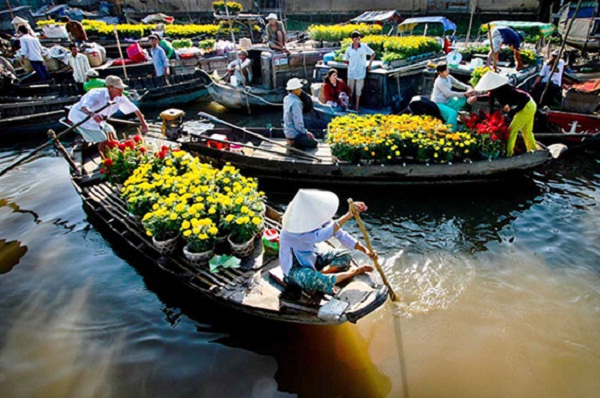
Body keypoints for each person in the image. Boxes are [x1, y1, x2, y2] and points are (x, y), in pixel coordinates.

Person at [279, 189, 375, 296]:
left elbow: (340, 234)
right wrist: (347, 216)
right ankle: (352, 273)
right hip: (295, 269)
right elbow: (320, 236)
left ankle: (322, 275)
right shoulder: (291, 231)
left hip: (312, 256)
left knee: (345, 255)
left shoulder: (315, 218)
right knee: (310, 279)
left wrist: (365, 251)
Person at [68, 75, 149, 157]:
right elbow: (84, 107)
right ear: (110, 88)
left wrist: (144, 123)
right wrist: (93, 114)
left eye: (122, 88)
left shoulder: (120, 97)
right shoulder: (95, 94)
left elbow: (135, 110)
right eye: (119, 88)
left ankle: (116, 155)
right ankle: (105, 159)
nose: (122, 90)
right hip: (81, 118)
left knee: (111, 132)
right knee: (102, 138)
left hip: (100, 119)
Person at [475, 71, 537, 157]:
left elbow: (522, 99)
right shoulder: (495, 90)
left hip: (526, 106)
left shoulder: (506, 90)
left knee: (512, 131)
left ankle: (509, 154)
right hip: (529, 104)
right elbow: (489, 98)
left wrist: (512, 109)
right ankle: (533, 150)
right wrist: (476, 98)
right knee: (527, 132)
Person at [430, 62, 474, 131]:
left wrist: (468, 87)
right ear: (441, 73)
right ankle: (450, 131)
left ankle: (448, 116)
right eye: (446, 70)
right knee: (453, 113)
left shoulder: (448, 77)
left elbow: (457, 84)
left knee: (462, 99)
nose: (448, 70)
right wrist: (465, 93)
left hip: (447, 101)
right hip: (438, 103)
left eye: (447, 69)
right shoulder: (439, 81)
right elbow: (448, 94)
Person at [343, 31, 375, 111]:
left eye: (359, 38)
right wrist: (351, 64)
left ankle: (357, 106)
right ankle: (350, 105)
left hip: (361, 72)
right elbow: (345, 60)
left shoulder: (364, 47)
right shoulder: (349, 49)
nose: (358, 40)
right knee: (350, 90)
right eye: (357, 38)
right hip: (351, 72)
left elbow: (373, 53)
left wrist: (370, 64)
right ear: (353, 39)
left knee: (358, 90)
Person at [283, 78, 318, 150]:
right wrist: (306, 133)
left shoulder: (286, 98)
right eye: (299, 89)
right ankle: (294, 142)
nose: (301, 90)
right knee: (314, 142)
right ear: (294, 90)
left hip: (287, 131)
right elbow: (298, 124)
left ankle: (291, 141)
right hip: (294, 134)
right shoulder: (296, 103)